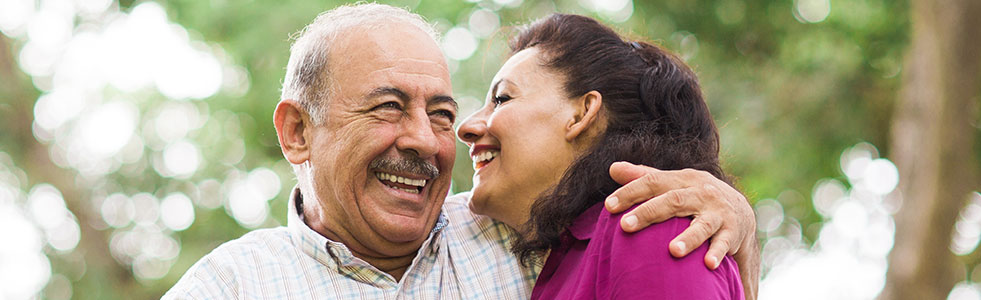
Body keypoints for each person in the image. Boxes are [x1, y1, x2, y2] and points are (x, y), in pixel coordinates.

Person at [163, 4, 757, 299]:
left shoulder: (523, 234)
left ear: (584, 114)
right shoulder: (229, 287)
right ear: (297, 132)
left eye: (441, 113)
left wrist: (737, 225)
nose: (429, 138)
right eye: (388, 107)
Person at [456, 14, 744, 299]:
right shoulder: (568, 261)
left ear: (582, 113)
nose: (466, 127)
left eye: (502, 99)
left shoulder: (651, 227)